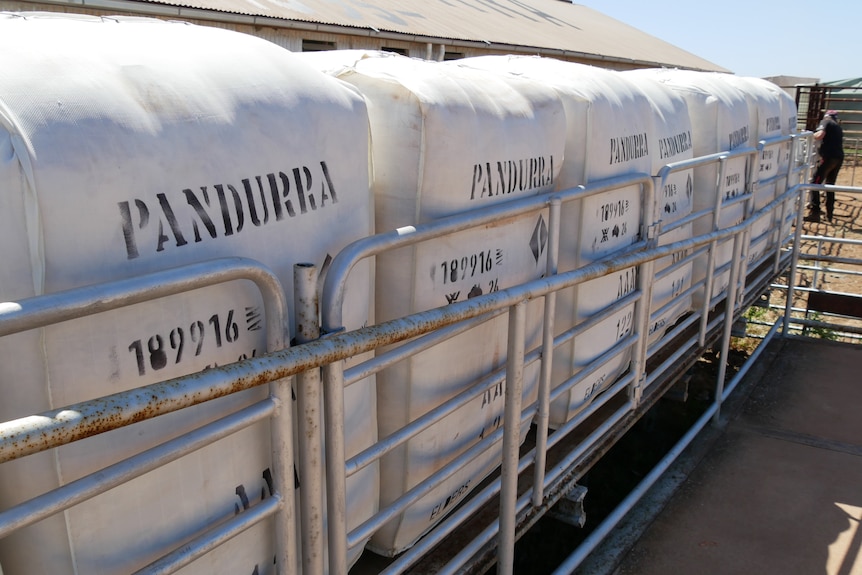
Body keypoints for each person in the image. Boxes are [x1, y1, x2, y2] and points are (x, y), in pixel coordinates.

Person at [804, 110, 844, 223]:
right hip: (838, 157)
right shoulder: (837, 126)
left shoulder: (826, 121)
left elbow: (820, 135)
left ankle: (815, 211)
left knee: (814, 183)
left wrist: (810, 135)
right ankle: (829, 213)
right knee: (830, 185)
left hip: (828, 157)